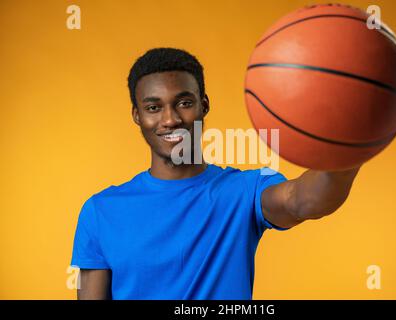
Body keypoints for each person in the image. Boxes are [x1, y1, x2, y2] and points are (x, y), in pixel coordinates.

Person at [70, 47, 360, 300]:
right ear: (137, 115)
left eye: (184, 103)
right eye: (153, 107)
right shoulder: (101, 210)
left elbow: (305, 200)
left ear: (203, 105)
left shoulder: (244, 191)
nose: (170, 119)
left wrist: (355, 136)